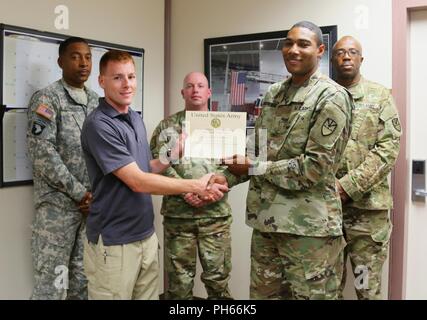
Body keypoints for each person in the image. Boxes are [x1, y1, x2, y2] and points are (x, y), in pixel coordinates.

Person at [80, 51, 228, 300]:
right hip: (116, 241)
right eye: (117, 77)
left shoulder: (134, 118)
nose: (127, 84)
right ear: (102, 81)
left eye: (131, 76)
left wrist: (169, 156)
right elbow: (137, 182)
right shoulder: (99, 125)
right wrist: (195, 186)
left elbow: (143, 168)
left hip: (144, 235)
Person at [223, 21, 353, 299]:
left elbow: (313, 169)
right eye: (288, 43)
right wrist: (221, 179)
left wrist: (254, 167)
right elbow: (255, 150)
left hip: (309, 234)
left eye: (303, 44)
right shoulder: (273, 94)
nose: (293, 50)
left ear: (320, 50)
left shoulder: (332, 97)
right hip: (267, 226)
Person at [150, 72, 236, 299]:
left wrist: (214, 189)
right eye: (189, 86)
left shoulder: (225, 125)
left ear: (209, 92)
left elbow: (237, 165)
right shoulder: (167, 126)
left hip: (215, 216)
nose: (195, 90)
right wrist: (186, 189)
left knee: (218, 282)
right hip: (179, 217)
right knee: (179, 284)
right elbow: (157, 164)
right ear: (183, 92)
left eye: (200, 86)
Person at [27, 37, 98, 300]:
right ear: (60, 61)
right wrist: (81, 193)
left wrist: (94, 196)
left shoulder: (95, 101)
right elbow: (42, 153)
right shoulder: (47, 99)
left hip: (90, 210)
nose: (83, 63)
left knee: (82, 281)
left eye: (88, 57)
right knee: (51, 286)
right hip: (57, 211)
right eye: (75, 56)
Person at [331, 36, 402, 299]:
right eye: (340, 52)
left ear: (362, 59)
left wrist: (347, 186)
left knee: (365, 287)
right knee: (326, 288)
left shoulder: (379, 96)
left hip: (367, 217)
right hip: (326, 213)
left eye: (352, 52)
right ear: (332, 59)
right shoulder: (322, 96)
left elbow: (388, 149)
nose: (346, 57)